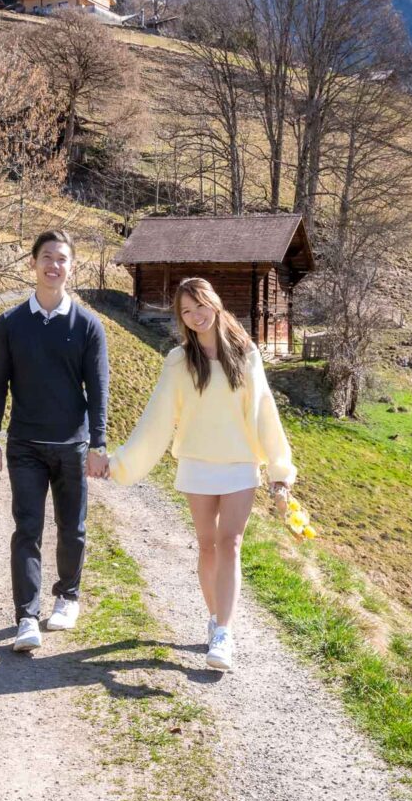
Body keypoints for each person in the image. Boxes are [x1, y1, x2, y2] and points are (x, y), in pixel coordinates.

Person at [108, 277, 295, 672]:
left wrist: (280, 472)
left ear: (215, 303)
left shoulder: (247, 354)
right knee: (208, 545)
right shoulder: (178, 361)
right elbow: (156, 419)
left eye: (200, 306)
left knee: (230, 544)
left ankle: (224, 633)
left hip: (240, 464)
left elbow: (264, 410)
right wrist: (121, 462)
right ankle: (214, 619)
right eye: (186, 312)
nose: (195, 316)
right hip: (197, 463)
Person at [0, 230, 110, 652]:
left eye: (62, 259)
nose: (54, 266)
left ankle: (68, 596)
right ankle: (26, 617)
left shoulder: (88, 325)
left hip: (72, 446)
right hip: (25, 447)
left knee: (72, 528)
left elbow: (99, 388)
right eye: (47, 258)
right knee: (28, 529)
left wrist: (98, 443)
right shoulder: (10, 324)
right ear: (33, 263)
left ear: (71, 267)